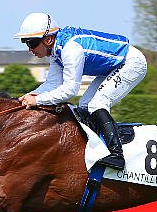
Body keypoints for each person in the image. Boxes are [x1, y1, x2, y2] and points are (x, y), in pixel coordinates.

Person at [15, 12, 147, 170]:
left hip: (131, 63)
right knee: (85, 104)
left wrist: (37, 100)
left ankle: (117, 155)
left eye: (32, 43)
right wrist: (28, 96)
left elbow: (70, 90)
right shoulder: (55, 52)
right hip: (112, 67)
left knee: (97, 104)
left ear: (48, 39)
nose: (30, 49)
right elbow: (52, 84)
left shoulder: (70, 49)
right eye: (26, 43)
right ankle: (97, 148)